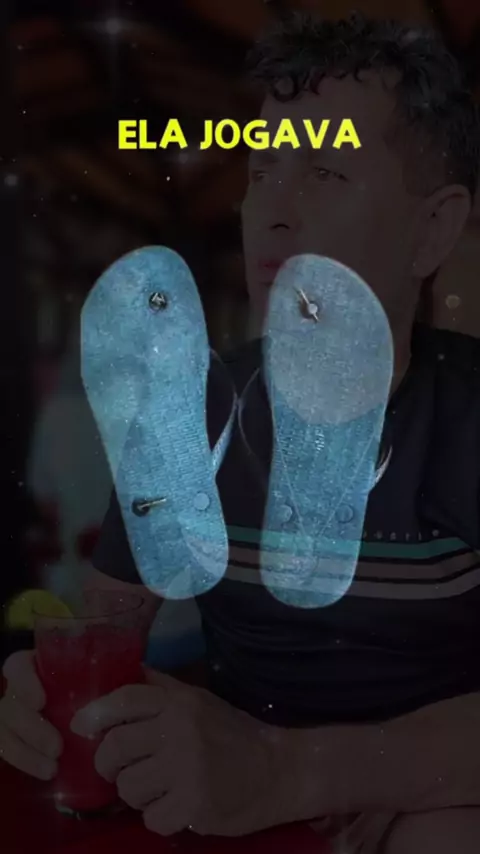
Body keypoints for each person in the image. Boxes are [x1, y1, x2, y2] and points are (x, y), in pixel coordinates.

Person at [2, 12, 480, 853]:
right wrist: (45, 692)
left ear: (433, 230)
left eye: (326, 172)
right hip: (228, 806)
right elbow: (104, 636)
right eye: (262, 171)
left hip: (422, 796)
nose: (275, 212)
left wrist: (292, 771)